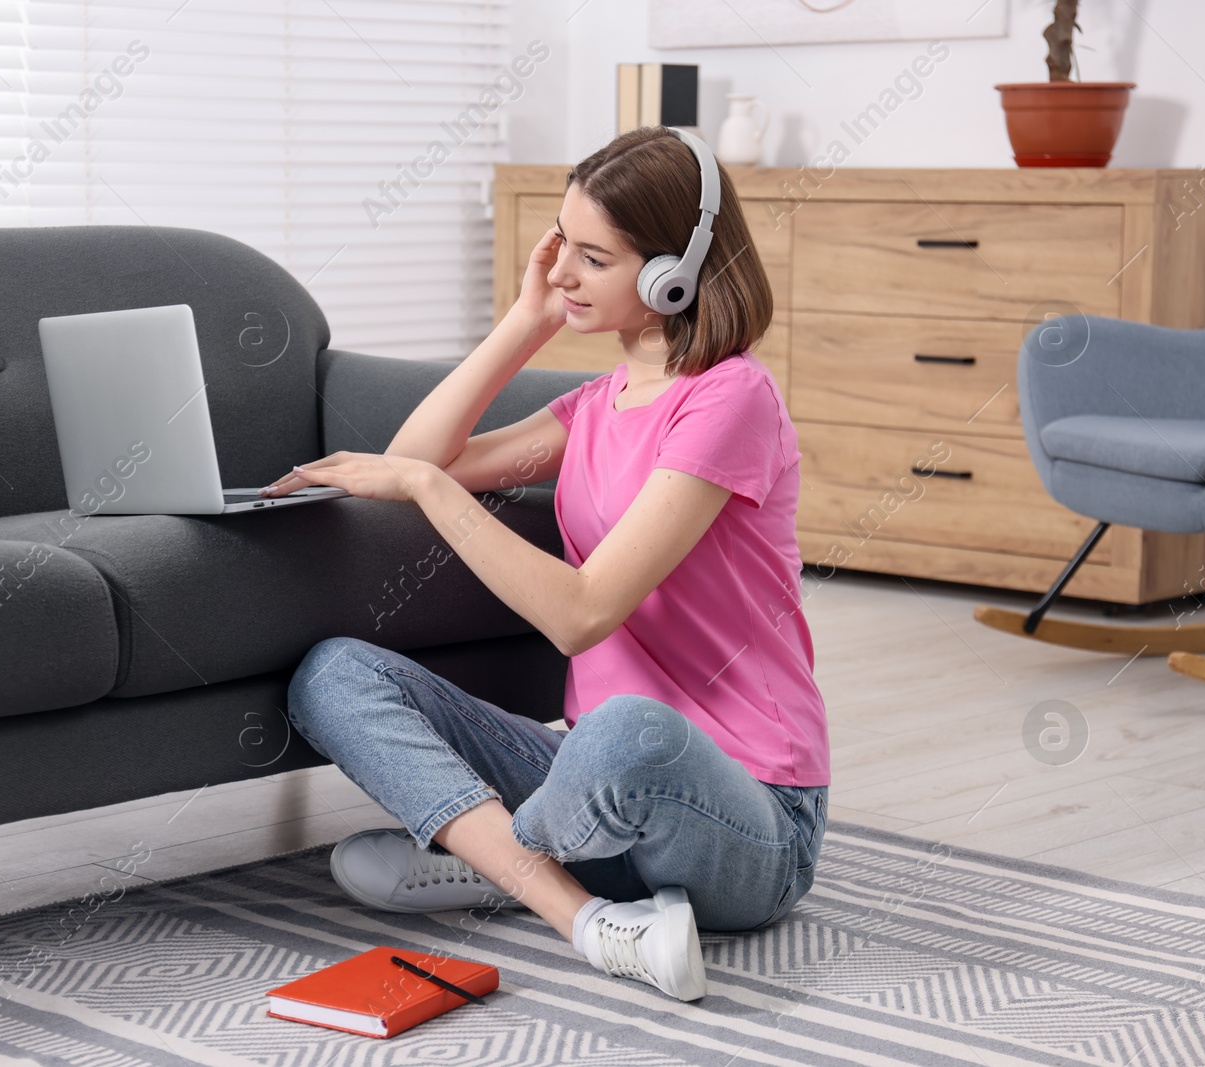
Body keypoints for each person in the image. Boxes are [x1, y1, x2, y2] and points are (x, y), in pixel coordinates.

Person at [258, 125, 830, 1003]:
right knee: (332, 674)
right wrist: (524, 322)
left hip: (748, 817)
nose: (563, 271)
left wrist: (419, 481)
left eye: (592, 258)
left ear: (671, 274)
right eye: (563, 244)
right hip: (589, 787)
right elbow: (421, 456)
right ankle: (586, 914)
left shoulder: (731, 399)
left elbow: (580, 612)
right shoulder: (593, 407)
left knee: (626, 728)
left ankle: (490, 857)